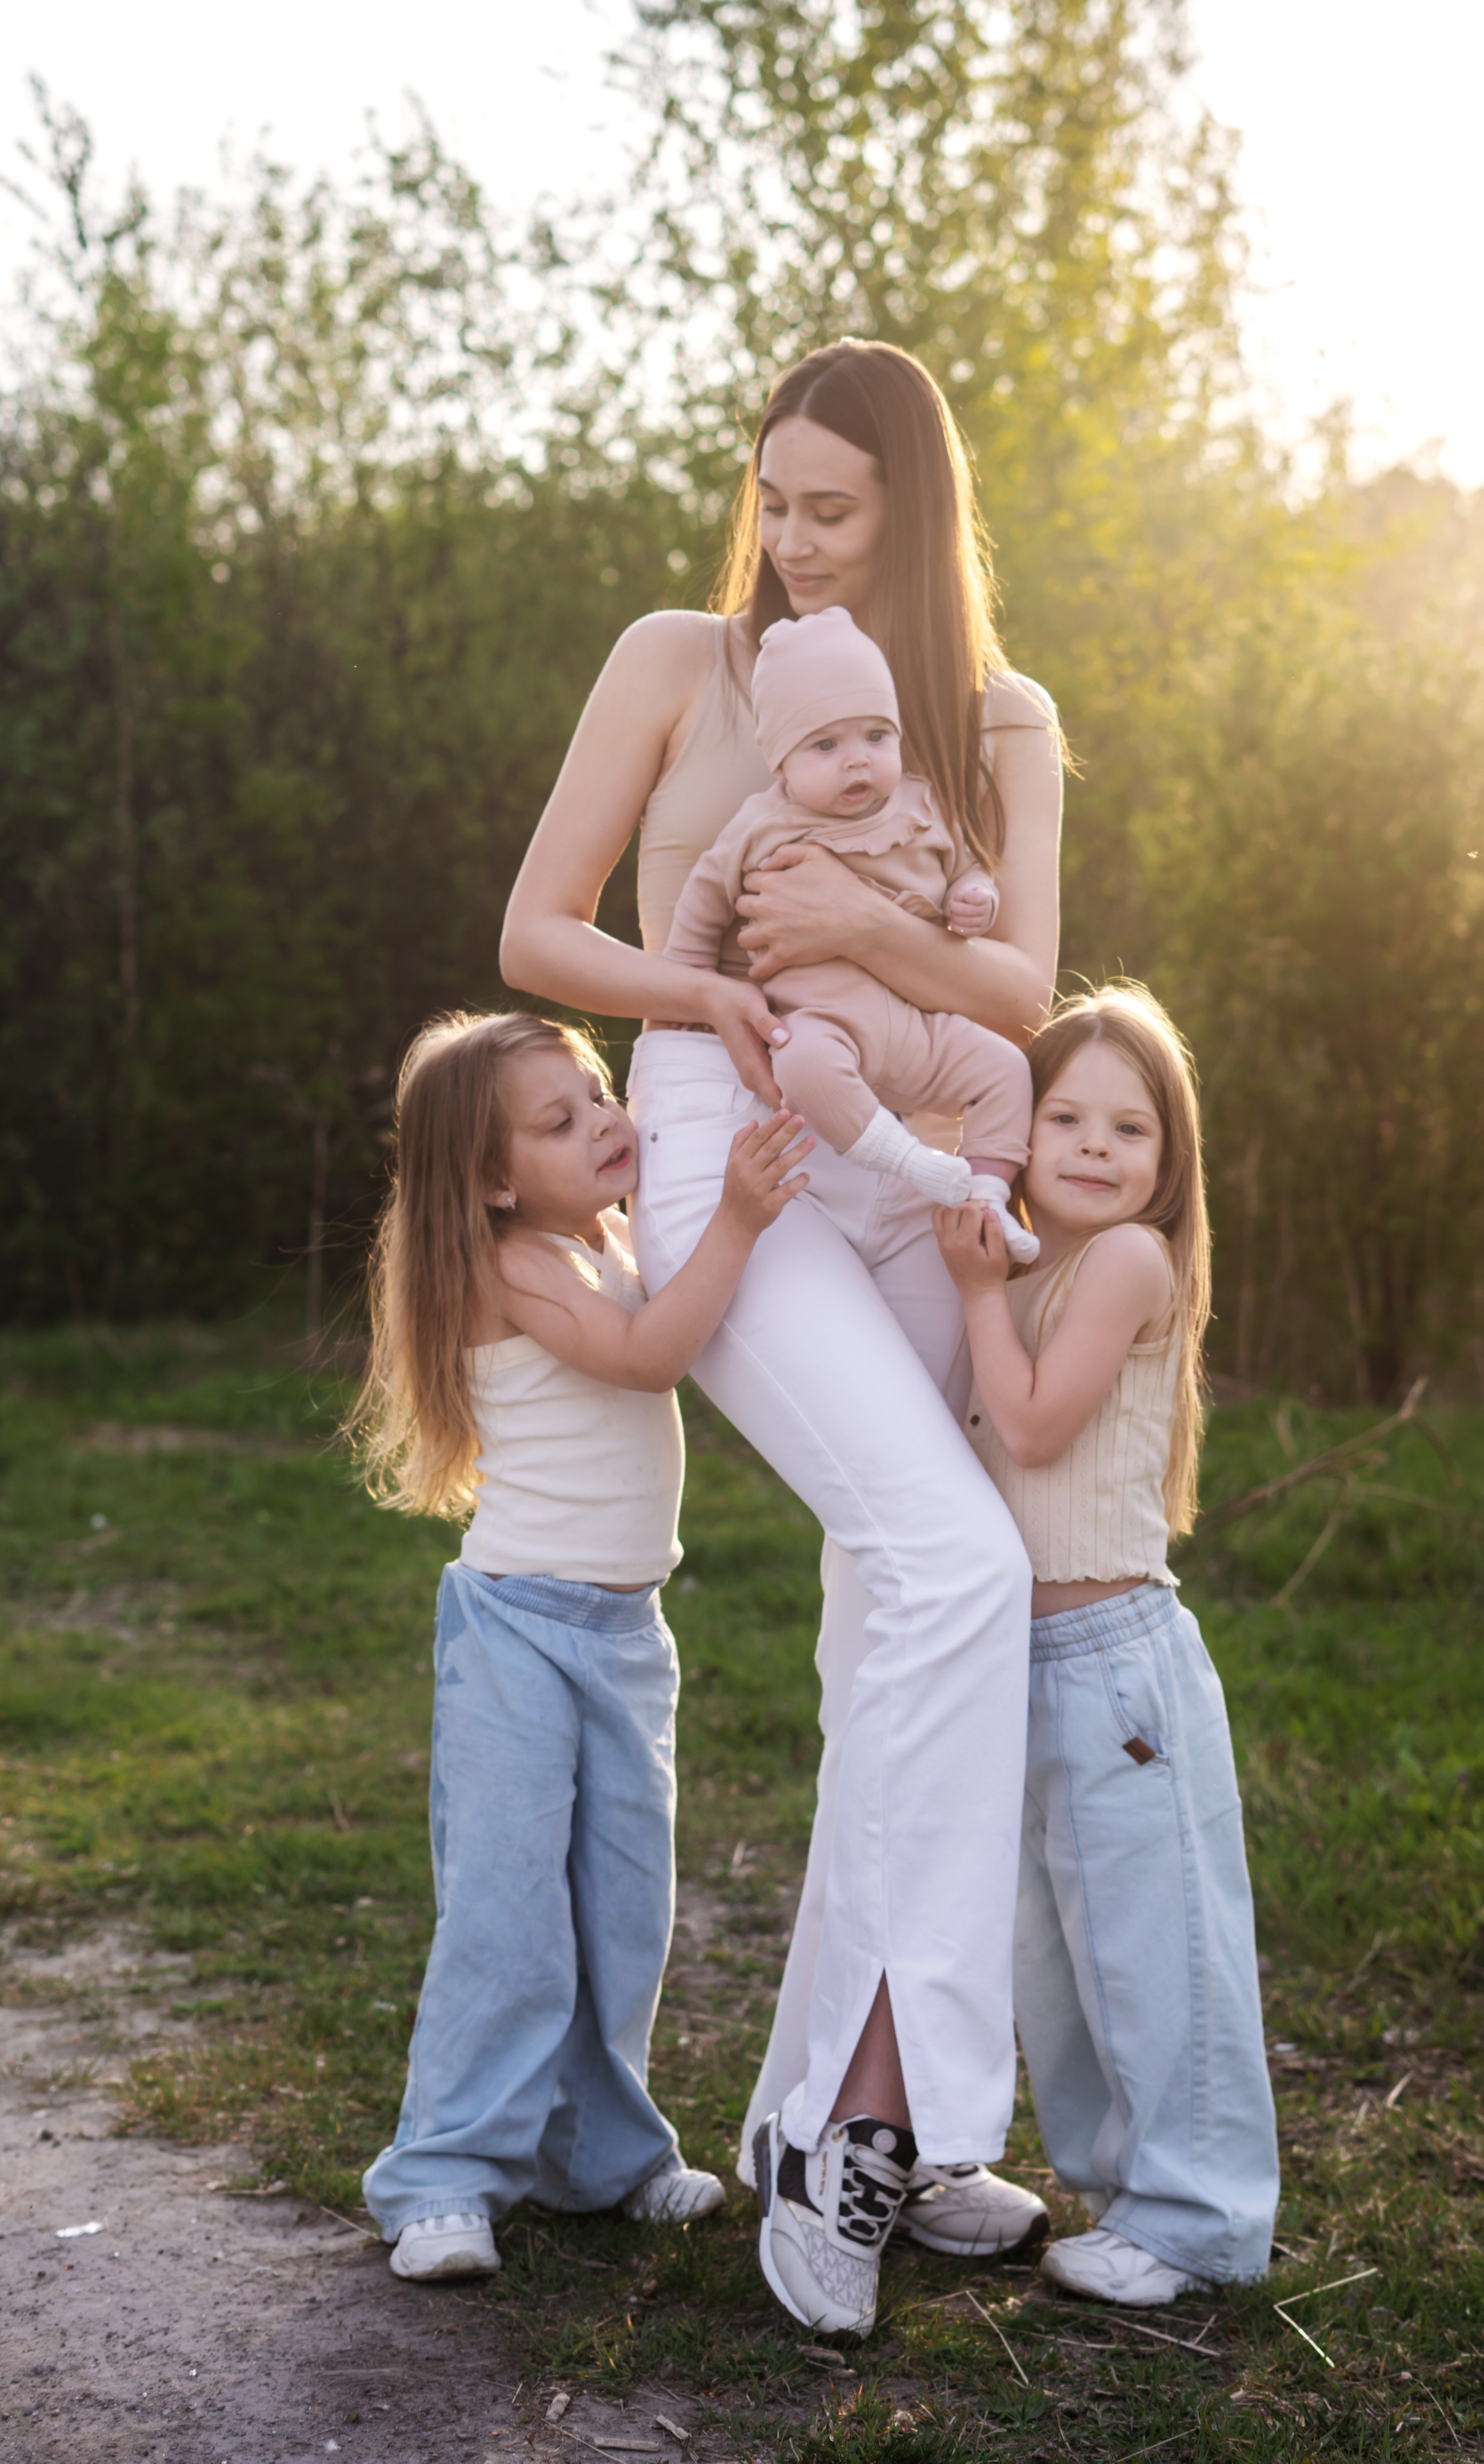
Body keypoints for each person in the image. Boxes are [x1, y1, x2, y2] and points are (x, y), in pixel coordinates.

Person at [499, 339, 1062, 2334]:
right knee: (951, 1557)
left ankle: (841, 2111)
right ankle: (860, 2123)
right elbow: (532, 931)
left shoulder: (996, 717)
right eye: (774, 501)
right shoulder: (678, 657)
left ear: (911, 512)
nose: (794, 541)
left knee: (903, 1610)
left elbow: (1023, 982)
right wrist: (715, 982)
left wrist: (858, 929)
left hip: (905, 1133)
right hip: (724, 1125)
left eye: (833, 508)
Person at [348, 1009, 811, 2280]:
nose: (607, 1120)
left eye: (598, 1092)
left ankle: (598, 2160)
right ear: (494, 1182)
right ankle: (440, 2176)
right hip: (521, 1631)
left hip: (624, 1633)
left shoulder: (600, 1238)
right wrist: (738, 1216)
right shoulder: (515, 1265)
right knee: (508, 1913)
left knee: (621, 1908)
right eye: (560, 1122)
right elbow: (651, 1352)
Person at [934, 985, 1281, 2306]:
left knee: (1154, 1946)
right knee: (1055, 1958)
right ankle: (1122, 2196)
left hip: (1110, 1664)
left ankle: (1198, 2219)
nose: (1089, 1146)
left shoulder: (1127, 1259)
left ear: (1164, 1158)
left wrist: (972, 1287)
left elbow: (1025, 1429)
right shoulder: (1032, 1260)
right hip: (1017, 1667)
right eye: (1061, 1116)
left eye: (1124, 1127)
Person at [664, 604, 1037, 1263]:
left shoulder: (925, 806)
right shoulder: (760, 825)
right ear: (781, 762)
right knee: (801, 1066)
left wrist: (973, 898)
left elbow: (967, 869)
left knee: (1006, 1070)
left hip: (921, 1028)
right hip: (823, 1020)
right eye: (825, 746)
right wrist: (689, 990)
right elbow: (702, 902)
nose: (857, 762)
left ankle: (987, 1199)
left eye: (874, 736)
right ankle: (914, 1167)